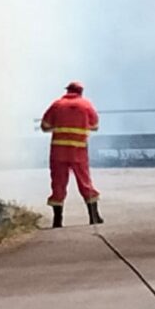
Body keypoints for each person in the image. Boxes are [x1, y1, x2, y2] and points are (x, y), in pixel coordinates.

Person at [40, 81, 103, 228]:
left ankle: (57, 220)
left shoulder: (57, 105)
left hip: (58, 152)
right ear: (81, 91)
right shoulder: (86, 105)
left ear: (67, 91)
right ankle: (94, 217)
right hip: (78, 151)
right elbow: (95, 126)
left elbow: (44, 126)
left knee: (58, 184)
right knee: (85, 182)